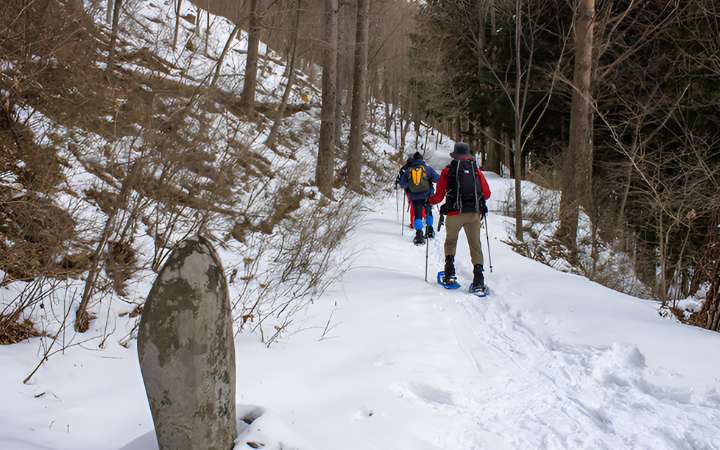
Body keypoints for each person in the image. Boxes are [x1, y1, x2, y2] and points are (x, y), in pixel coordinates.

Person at [429, 142, 491, 294]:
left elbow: (439, 196)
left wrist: (429, 201)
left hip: (454, 214)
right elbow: (487, 193)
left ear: (454, 155)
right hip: (474, 215)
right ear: (468, 155)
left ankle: (449, 273)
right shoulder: (476, 171)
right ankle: (478, 280)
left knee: (451, 241)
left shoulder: (447, 171)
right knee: (475, 245)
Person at [399, 152, 440, 245]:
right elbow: (438, 179)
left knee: (418, 215)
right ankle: (429, 231)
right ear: (422, 159)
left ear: (413, 159)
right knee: (429, 212)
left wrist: (410, 183)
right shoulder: (427, 169)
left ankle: (419, 235)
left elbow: (402, 184)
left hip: (415, 196)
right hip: (428, 195)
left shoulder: (409, 170)